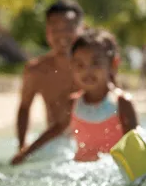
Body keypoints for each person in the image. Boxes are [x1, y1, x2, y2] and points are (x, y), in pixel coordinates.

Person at [12, 28, 139, 163]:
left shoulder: (121, 103)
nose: (87, 71)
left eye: (95, 63)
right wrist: (26, 152)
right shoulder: (73, 103)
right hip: (81, 170)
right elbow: (56, 129)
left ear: (113, 64)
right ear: (71, 66)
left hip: (112, 168)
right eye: (80, 65)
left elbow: (135, 144)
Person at [12, 0, 84, 164]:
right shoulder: (35, 71)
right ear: (47, 32)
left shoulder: (94, 69)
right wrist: (22, 147)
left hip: (91, 143)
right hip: (56, 146)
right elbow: (24, 108)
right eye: (55, 28)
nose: (61, 34)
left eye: (68, 27)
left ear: (82, 29)